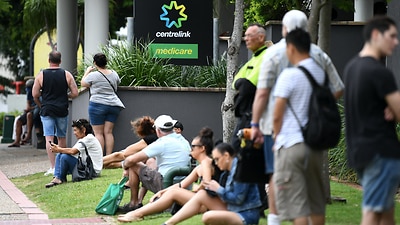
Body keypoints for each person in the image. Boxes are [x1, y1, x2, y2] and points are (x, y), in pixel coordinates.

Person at [250, 9, 345, 225]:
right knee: (314, 197)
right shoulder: (319, 55)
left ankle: (274, 222)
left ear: (285, 30)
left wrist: (256, 124)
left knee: (279, 180)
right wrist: (318, 105)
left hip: (283, 134)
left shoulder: (275, 55)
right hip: (314, 136)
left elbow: (263, 93)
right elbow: (338, 88)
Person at [343, 16, 400, 225]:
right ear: (376, 35)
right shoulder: (379, 72)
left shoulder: (351, 68)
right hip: (381, 152)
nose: (396, 41)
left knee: (386, 213)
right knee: (372, 213)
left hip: (360, 152)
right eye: (392, 36)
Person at [272, 28, 327, 225]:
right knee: (315, 202)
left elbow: (277, 114)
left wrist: (276, 137)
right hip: (315, 144)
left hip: (292, 143)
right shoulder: (321, 73)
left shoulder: (289, 76)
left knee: (298, 205)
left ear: (292, 47)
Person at [117, 127, 221, 222]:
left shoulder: (207, 163)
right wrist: (162, 191)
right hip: (201, 201)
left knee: (173, 193)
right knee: (173, 191)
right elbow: (181, 185)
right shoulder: (200, 167)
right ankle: (137, 212)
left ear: (202, 148)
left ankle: (137, 213)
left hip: (206, 203)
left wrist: (197, 189)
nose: (191, 149)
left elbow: (207, 186)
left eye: (193, 147)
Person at [161, 142, 261, 225]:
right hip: (234, 208)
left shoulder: (241, 170)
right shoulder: (228, 172)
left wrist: (218, 189)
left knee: (207, 217)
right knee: (202, 194)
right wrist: (210, 189)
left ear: (226, 156)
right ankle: (168, 223)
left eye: (217, 159)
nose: (216, 163)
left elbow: (238, 199)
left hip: (246, 215)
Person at [119, 115, 191, 213]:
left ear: (158, 130)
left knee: (134, 165)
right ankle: (139, 200)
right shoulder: (183, 140)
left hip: (167, 183)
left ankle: (134, 203)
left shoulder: (161, 142)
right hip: (184, 184)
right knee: (150, 162)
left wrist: (125, 166)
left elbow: (131, 160)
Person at [32, 51, 79, 176]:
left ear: (49, 60)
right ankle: (60, 166)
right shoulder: (67, 74)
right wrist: (65, 96)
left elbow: (35, 94)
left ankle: (52, 167)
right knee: (61, 137)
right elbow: (75, 93)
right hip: (62, 109)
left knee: (49, 138)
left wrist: (40, 104)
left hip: (47, 109)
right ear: (60, 61)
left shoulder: (41, 75)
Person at [81, 52, 125, 156]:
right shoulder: (114, 73)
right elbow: (118, 82)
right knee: (108, 132)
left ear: (95, 63)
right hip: (114, 105)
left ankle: (100, 158)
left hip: (97, 105)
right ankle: (109, 157)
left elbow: (83, 83)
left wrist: (87, 71)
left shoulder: (93, 75)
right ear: (106, 62)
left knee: (98, 133)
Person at [44, 119, 103, 188]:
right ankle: (57, 177)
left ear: (83, 130)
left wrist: (59, 149)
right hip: (86, 168)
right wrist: (59, 149)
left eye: (75, 130)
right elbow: (71, 151)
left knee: (64, 157)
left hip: (92, 171)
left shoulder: (89, 138)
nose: (74, 133)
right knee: (60, 155)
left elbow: (73, 151)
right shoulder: (84, 139)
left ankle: (60, 178)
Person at [8, 79, 42, 147]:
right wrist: (28, 109)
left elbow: (39, 105)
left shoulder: (39, 93)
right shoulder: (29, 93)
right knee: (19, 121)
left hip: (36, 110)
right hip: (31, 109)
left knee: (29, 115)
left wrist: (31, 108)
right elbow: (28, 105)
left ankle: (28, 135)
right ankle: (17, 141)